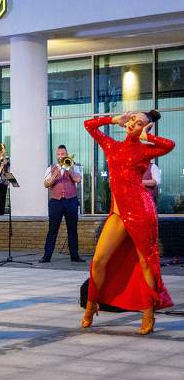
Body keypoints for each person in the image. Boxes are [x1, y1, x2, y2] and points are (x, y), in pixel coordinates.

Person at [83, 110, 175, 334]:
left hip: (141, 210)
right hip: (117, 212)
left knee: (146, 262)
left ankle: (148, 314)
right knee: (99, 260)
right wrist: (113, 119)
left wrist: (147, 136)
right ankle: (91, 304)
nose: (133, 123)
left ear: (145, 127)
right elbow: (88, 125)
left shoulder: (144, 150)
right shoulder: (111, 145)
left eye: (139, 123)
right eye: (133, 119)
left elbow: (169, 145)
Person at [40, 145, 84, 263]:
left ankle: (74, 256)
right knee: (52, 229)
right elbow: (46, 184)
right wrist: (56, 173)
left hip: (71, 200)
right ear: (56, 156)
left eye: (62, 154)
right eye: (58, 154)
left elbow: (78, 180)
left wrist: (69, 169)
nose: (60, 156)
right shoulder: (51, 168)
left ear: (66, 155)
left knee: (72, 229)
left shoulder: (74, 167)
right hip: (56, 202)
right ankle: (47, 256)